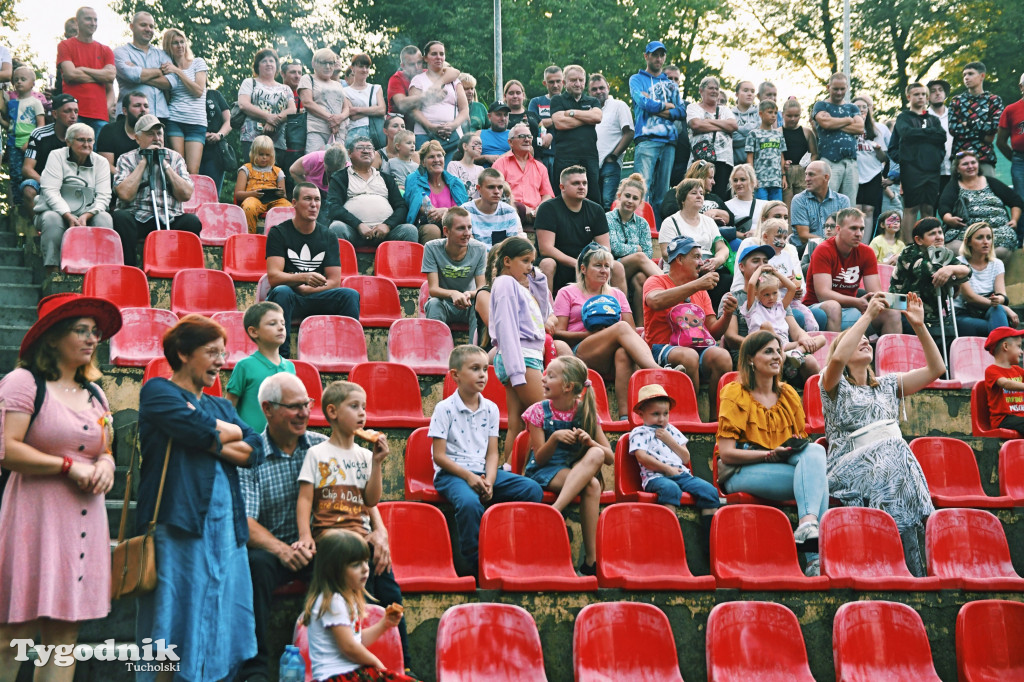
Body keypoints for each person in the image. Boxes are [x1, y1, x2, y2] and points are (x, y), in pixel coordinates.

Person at [236, 373, 401, 682]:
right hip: (278, 547)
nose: (303, 413)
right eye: (293, 406)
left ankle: (385, 661)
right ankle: (256, 668)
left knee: (368, 560)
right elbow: (244, 520)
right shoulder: (252, 454)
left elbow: (364, 496)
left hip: (321, 544)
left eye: (306, 405)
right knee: (254, 566)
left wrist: (380, 531)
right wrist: (284, 549)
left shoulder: (319, 444)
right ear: (267, 409)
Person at [136, 314, 265, 681]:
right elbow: (195, 427)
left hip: (226, 530)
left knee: (222, 617)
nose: (220, 361)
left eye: (222, 353)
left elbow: (254, 448)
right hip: (178, 521)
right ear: (182, 353)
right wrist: (218, 433)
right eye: (211, 352)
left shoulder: (220, 405)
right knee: (171, 618)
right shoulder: (157, 391)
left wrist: (208, 434)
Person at [0, 293, 121, 680]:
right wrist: (67, 466)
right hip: (35, 518)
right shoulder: (23, 382)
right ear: (51, 338)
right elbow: (6, 448)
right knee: (12, 633)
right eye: (81, 330)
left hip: (83, 525)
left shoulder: (95, 392)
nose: (92, 339)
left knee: (64, 636)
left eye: (95, 332)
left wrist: (106, 464)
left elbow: (107, 448)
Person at [295, 379, 413, 672]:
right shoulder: (318, 454)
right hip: (331, 540)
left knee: (390, 591)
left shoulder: (364, 455)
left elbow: (371, 500)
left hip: (361, 539)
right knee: (359, 587)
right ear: (332, 412)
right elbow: (305, 500)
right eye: (354, 406)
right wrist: (305, 536)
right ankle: (354, 660)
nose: (362, 414)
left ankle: (404, 665)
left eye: (364, 407)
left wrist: (377, 464)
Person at [821, 292, 942, 576]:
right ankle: (908, 541)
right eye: (856, 338)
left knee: (897, 449)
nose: (864, 339)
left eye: (867, 338)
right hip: (845, 469)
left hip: (889, 469)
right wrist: (867, 317)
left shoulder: (887, 385)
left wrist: (919, 326)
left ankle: (909, 542)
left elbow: (937, 369)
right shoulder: (831, 383)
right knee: (895, 447)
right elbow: (837, 358)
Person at [717, 331, 830, 575]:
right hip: (741, 470)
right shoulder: (734, 392)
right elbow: (726, 454)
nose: (777, 356)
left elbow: (800, 445)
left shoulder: (788, 394)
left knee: (815, 455)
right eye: (768, 351)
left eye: (778, 350)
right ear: (750, 359)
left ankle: (809, 528)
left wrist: (783, 453)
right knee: (816, 479)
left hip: (781, 466)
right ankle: (816, 559)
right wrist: (768, 454)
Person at [431, 344, 544, 572]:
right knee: (470, 503)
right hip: (452, 474)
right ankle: (475, 563)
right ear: (456, 375)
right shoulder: (444, 409)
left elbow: (493, 453)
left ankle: (508, 545)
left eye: (485, 368)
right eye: (475, 369)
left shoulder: (491, 408)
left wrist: (489, 481)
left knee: (532, 490)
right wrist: (470, 478)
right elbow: (439, 456)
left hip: (483, 471)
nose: (483, 374)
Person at [523, 355, 613, 575]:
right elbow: (540, 459)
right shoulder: (538, 411)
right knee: (590, 484)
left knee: (595, 457)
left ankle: (588, 557)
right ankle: (590, 560)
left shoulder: (585, 411)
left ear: (567, 387)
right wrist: (554, 439)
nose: (543, 379)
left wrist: (589, 441)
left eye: (550, 376)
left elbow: (609, 457)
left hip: (574, 470)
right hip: (544, 471)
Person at [553, 243, 658, 418]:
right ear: (583, 269)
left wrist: (610, 334)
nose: (604, 271)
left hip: (610, 356)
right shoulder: (567, 292)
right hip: (582, 351)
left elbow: (631, 331)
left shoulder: (617, 294)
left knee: (624, 353)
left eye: (607, 266)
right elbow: (557, 333)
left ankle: (626, 417)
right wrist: (591, 335)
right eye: (598, 265)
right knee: (621, 328)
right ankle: (658, 371)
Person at [299, 531, 413, 682]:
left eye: (366, 561)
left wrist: (384, 625)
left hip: (351, 673)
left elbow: (355, 641)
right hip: (338, 677)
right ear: (334, 571)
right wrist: (376, 664)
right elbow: (349, 647)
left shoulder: (345, 599)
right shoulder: (333, 601)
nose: (366, 568)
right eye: (356, 565)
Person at [268, 183, 360, 357]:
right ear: (294, 203)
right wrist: (302, 278)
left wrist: (306, 289)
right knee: (281, 292)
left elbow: (334, 281)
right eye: (307, 199)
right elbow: (273, 277)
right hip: (290, 299)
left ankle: (347, 355)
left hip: (316, 296)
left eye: (317, 199)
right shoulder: (279, 233)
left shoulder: (328, 236)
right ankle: (281, 357)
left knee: (350, 295)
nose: (313, 204)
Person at [643, 236, 737, 396]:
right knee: (689, 356)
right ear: (679, 259)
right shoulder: (656, 281)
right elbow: (655, 301)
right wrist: (697, 285)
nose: (702, 262)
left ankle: (716, 418)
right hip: (660, 348)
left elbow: (713, 331)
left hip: (698, 347)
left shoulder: (701, 290)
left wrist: (727, 314)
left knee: (722, 356)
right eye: (696, 257)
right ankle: (689, 415)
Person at [630, 384, 720, 544]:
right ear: (641, 414)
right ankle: (669, 542)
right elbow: (642, 457)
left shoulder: (672, 431)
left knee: (710, 492)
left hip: (681, 474)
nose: (661, 419)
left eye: (665, 414)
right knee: (671, 490)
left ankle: (710, 544)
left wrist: (669, 440)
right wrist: (667, 469)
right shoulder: (639, 433)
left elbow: (685, 458)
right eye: (655, 414)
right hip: (655, 477)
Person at [111, 114, 201, 267]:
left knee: (192, 222)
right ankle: (131, 268)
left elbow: (186, 194)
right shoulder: (126, 159)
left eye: (159, 133)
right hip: (138, 216)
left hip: (169, 216)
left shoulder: (175, 158)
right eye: (150, 134)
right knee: (120, 217)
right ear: (138, 138)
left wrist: (165, 165)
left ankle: (184, 270)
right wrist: (144, 162)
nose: (156, 138)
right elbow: (124, 195)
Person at [803, 207, 900, 333]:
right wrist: (856, 302)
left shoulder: (867, 252)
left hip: (850, 309)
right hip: (818, 310)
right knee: (833, 306)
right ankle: (836, 352)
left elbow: (875, 292)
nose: (859, 233)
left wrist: (899, 302)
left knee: (892, 313)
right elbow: (823, 295)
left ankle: (885, 352)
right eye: (853, 228)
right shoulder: (823, 250)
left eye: (862, 229)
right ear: (838, 229)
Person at [35, 122, 112, 274]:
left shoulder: (101, 162)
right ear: (68, 141)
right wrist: (67, 215)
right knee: (51, 219)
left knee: (105, 218)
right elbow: (50, 191)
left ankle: (101, 270)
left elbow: (104, 196)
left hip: (87, 213)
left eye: (90, 140)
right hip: (56, 212)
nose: (86, 144)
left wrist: (86, 215)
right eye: (81, 140)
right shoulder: (56, 156)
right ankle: (53, 271)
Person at [535, 165, 625, 295]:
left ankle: (620, 312)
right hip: (558, 264)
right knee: (547, 264)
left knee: (617, 267)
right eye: (576, 183)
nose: (582, 187)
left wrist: (592, 264)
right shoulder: (547, 208)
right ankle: (546, 313)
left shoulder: (596, 210)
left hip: (586, 262)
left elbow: (605, 248)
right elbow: (546, 249)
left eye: (584, 183)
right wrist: (577, 263)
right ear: (562, 187)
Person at [327, 135, 418, 245]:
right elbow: (334, 207)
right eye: (360, 148)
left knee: (409, 230)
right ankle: (338, 263)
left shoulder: (386, 178)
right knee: (336, 227)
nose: (366, 151)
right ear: (349, 153)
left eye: (370, 148)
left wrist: (387, 225)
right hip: (353, 231)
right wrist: (358, 225)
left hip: (386, 233)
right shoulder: (340, 177)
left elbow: (401, 207)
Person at [741, 260, 821, 383]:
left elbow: (792, 287)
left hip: (785, 345)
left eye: (774, 293)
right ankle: (787, 360)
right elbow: (752, 284)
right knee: (766, 325)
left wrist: (775, 272)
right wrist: (760, 269)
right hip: (764, 345)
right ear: (757, 294)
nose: (771, 297)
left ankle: (795, 354)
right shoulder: (753, 308)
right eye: (766, 295)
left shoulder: (779, 306)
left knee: (820, 339)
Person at [889, 217, 972, 333]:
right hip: (904, 312)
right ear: (918, 240)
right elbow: (928, 271)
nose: (939, 237)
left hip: (933, 317)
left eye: (940, 232)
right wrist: (951, 273)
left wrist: (951, 269)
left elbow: (967, 271)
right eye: (932, 234)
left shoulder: (943, 254)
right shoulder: (908, 254)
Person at [658, 178, 733, 306]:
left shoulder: (709, 222)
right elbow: (666, 254)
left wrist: (717, 261)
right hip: (682, 273)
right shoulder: (670, 222)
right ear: (682, 199)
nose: (699, 196)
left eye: (701, 193)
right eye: (694, 193)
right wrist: (694, 264)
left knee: (728, 281)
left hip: (708, 269)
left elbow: (722, 248)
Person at [888, 83, 947, 243]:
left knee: (928, 207)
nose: (920, 97)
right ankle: (908, 246)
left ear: (926, 97)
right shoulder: (903, 117)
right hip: (912, 170)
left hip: (932, 170)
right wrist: (928, 134)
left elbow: (942, 137)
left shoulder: (933, 119)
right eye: (916, 94)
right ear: (909, 97)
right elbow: (906, 133)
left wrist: (922, 136)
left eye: (923, 94)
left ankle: (930, 243)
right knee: (911, 207)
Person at [629, 41, 682, 213]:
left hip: (669, 142)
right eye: (654, 55)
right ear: (646, 56)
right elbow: (643, 103)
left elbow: (682, 111)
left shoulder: (671, 84)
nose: (658, 59)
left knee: (663, 194)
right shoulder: (636, 79)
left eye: (661, 55)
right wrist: (668, 106)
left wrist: (656, 105)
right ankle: (641, 230)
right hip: (646, 140)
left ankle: (660, 234)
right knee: (641, 189)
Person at [225, 301, 294, 431]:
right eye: (272, 323)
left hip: (280, 443)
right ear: (254, 332)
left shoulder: (290, 367)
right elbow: (229, 406)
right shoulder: (244, 366)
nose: (280, 327)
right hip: (250, 442)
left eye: (283, 323)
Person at [938, 151, 1022, 256]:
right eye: (965, 164)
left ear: (978, 165)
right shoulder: (954, 185)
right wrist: (949, 219)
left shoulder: (991, 182)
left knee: (1000, 252)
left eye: (973, 162)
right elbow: (944, 206)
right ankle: (970, 270)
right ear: (957, 169)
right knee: (955, 248)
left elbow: (1015, 201)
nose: (970, 166)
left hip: (998, 231)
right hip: (966, 231)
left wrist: (1014, 220)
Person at [606, 173, 662, 317]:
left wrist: (637, 251)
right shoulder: (608, 218)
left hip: (632, 268)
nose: (630, 200)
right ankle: (669, 285)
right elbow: (614, 248)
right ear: (619, 196)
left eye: (635, 198)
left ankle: (640, 327)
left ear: (640, 202)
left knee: (640, 279)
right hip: (612, 266)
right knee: (639, 256)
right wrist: (636, 249)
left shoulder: (642, 223)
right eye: (627, 196)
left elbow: (649, 253)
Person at [422, 208, 486, 326]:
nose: (467, 233)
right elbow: (433, 289)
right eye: (461, 228)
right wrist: (453, 293)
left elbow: (481, 288)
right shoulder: (432, 248)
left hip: (468, 303)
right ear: (446, 231)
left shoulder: (480, 249)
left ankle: (475, 345)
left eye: (469, 227)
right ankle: (435, 344)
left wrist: (468, 294)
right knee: (433, 304)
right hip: (444, 303)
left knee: (480, 302)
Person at [549, 65, 602, 205]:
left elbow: (597, 117)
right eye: (573, 80)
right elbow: (560, 123)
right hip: (565, 157)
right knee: (563, 198)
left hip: (589, 157)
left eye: (581, 80)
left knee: (593, 199)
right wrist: (587, 118)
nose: (578, 84)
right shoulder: (557, 100)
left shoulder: (592, 101)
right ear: (564, 83)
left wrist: (572, 113)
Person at [56, 7, 114, 133]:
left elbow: (110, 76)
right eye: (88, 19)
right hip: (73, 114)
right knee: (74, 151)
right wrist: (100, 76)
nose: (93, 23)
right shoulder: (65, 45)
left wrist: (81, 69)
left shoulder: (105, 50)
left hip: (100, 114)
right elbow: (70, 74)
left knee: (99, 152)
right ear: (77, 22)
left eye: (95, 20)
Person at [407, 41, 469, 161]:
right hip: (425, 135)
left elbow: (465, 109)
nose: (439, 57)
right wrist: (430, 126)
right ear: (425, 58)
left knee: (451, 173)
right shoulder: (418, 80)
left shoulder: (454, 81)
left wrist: (453, 125)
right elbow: (413, 109)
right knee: (428, 173)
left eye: (442, 54)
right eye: (434, 54)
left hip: (453, 136)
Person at [159, 28, 207, 174]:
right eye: (175, 43)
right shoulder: (167, 68)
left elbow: (198, 91)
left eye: (182, 42)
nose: (180, 46)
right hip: (175, 119)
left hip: (196, 121)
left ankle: (192, 197)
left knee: (193, 170)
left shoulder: (198, 63)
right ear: (168, 46)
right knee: (178, 166)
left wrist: (178, 71)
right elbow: (167, 96)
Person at [21, 94, 78, 217]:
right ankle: (39, 230)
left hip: (70, 183)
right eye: (67, 111)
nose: (73, 116)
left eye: (76, 111)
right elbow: (27, 169)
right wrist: (49, 184)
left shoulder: (81, 136)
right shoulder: (40, 134)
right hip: (42, 181)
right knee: (29, 189)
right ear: (55, 114)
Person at [956, 221, 1018, 333]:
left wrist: (1000, 299)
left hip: (987, 311)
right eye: (980, 238)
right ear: (968, 242)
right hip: (963, 313)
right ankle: (1004, 343)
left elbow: (1002, 295)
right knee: (998, 328)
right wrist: (1004, 307)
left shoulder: (997, 263)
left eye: (989, 237)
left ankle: (1002, 342)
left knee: (997, 314)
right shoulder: (959, 263)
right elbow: (970, 298)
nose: (986, 242)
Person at [404, 139, 471, 243]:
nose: (436, 160)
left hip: (453, 224)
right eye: (431, 157)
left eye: (439, 156)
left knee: (466, 234)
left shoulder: (455, 182)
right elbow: (419, 204)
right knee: (433, 230)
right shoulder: (414, 179)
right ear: (423, 162)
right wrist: (439, 213)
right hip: (424, 224)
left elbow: (462, 209)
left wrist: (446, 212)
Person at [237, 48, 296, 161]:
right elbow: (243, 104)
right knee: (253, 173)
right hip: (252, 138)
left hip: (278, 139)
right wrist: (267, 117)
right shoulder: (249, 82)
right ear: (257, 66)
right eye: (264, 61)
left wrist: (274, 122)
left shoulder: (285, 88)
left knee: (275, 175)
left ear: (276, 65)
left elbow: (292, 110)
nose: (268, 64)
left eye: (271, 61)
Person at [812, 73, 864, 201]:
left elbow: (860, 128)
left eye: (842, 89)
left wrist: (833, 124)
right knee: (827, 201)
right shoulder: (821, 105)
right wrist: (847, 119)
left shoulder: (852, 107)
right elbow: (825, 122)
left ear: (847, 87)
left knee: (849, 204)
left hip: (851, 162)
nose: (839, 92)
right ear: (828, 87)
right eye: (835, 89)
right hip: (830, 161)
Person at [113, 12, 173, 121]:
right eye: (143, 25)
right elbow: (131, 75)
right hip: (128, 117)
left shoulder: (162, 54)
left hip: (159, 116)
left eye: (151, 26)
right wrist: (161, 71)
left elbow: (171, 82)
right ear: (132, 27)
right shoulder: (120, 52)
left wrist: (139, 72)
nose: (148, 29)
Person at [587, 72, 634, 210]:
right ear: (589, 92)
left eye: (601, 88)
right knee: (594, 204)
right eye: (594, 89)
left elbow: (629, 132)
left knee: (608, 203)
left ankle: (609, 232)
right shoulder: (588, 111)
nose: (598, 92)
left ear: (608, 87)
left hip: (610, 164)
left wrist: (613, 156)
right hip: (591, 164)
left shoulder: (618, 105)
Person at [492, 122, 554, 225]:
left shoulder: (540, 167)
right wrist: (523, 208)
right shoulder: (500, 164)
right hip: (510, 211)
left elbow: (547, 195)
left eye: (529, 136)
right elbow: (497, 192)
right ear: (510, 142)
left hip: (537, 214)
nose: (527, 139)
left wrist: (539, 208)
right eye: (522, 136)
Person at [949, 61, 1003, 177]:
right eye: (964, 75)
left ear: (982, 76)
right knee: (959, 194)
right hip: (960, 158)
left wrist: (967, 123)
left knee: (988, 193)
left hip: (984, 156)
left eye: (970, 74)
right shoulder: (956, 101)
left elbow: (994, 126)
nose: (966, 78)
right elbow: (953, 129)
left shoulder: (993, 100)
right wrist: (982, 134)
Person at [2, 66, 45, 214]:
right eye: (16, 80)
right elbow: (10, 125)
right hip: (13, 142)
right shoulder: (12, 103)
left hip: (28, 142)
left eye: (23, 79)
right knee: (14, 173)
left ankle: (30, 203)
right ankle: (17, 204)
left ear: (32, 83)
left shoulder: (35, 102)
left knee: (26, 171)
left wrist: (31, 142)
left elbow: (41, 125)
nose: (19, 82)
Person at [686, 77, 737, 199]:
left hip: (723, 160)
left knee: (720, 196)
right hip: (701, 158)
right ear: (701, 91)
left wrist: (708, 122)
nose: (714, 91)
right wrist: (722, 125)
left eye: (717, 88)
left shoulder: (725, 110)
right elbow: (696, 125)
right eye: (710, 88)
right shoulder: (693, 108)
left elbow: (733, 126)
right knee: (698, 192)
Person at [234, 135, 291, 233]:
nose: (264, 158)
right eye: (261, 154)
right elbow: (238, 194)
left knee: (289, 208)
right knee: (249, 207)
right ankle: (249, 237)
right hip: (253, 198)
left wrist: (281, 194)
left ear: (272, 155)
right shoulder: (245, 169)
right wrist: (253, 194)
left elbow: (284, 195)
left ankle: (282, 238)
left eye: (267, 155)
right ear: (253, 153)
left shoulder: (278, 171)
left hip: (274, 201)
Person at [790, 160, 851, 251]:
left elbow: (845, 232)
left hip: (834, 249)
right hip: (806, 250)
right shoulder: (799, 200)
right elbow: (803, 236)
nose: (806, 179)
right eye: (806, 174)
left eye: (811, 174)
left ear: (826, 177)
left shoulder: (842, 200)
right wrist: (829, 245)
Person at [659, 159, 734, 227]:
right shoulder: (676, 192)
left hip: (717, 234)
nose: (713, 182)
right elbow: (667, 212)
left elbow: (731, 220)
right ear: (700, 177)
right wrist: (704, 217)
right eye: (710, 178)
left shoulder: (714, 197)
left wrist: (716, 212)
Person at [301, 48, 350, 152]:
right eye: (324, 63)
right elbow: (307, 103)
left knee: (338, 165)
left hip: (338, 132)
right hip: (316, 130)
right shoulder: (308, 78)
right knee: (315, 163)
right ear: (314, 64)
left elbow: (346, 107)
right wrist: (331, 119)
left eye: (331, 63)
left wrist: (339, 118)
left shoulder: (338, 84)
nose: (328, 67)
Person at [851, 94, 889, 226]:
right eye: (857, 107)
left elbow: (884, 158)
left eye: (864, 107)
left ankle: (865, 244)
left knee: (869, 209)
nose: (861, 110)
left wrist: (878, 149)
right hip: (854, 173)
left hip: (872, 175)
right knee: (855, 210)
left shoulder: (876, 130)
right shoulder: (847, 129)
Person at [459, 168, 522, 247]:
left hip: (501, 258)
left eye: (500, 187)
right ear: (479, 188)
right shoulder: (465, 211)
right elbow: (467, 247)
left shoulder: (509, 211)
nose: (496, 191)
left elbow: (511, 246)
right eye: (491, 187)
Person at [96, 90, 147, 178]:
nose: (143, 110)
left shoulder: (155, 132)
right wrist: (129, 179)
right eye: (137, 106)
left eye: (146, 106)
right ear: (125, 111)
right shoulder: (109, 130)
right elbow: (106, 164)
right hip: (119, 180)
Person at [983, 327, 1024, 435]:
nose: (1022, 351)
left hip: (1020, 418)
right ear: (1005, 346)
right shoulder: (991, 371)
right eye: (1019, 346)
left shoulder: (1018, 370)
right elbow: (1005, 383)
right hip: (1003, 419)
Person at [745, 100, 787, 202]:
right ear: (761, 114)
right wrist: (752, 177)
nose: (773, 115)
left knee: (776, 208)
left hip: (776, 181)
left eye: (775, 113)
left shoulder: (779, 135)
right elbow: (750, 157)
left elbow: (781, 156)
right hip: (760, 181)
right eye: (770, 112)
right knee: (761, 209)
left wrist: (783, 176)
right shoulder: (753, 134)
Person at [528, 65, 563, 181]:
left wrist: (550, 130)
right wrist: (560, 119)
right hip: (542, 155)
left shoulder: (568, 102)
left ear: (563, 81)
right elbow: (534, 123)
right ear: (545, 83)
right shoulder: (536, 101)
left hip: (564, 154)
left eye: (558, 81)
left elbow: (572, 125)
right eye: (551, 82)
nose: (555, 85)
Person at [781, 98, 817, 208]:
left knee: (802, 205)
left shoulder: (807, 133)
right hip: (786, 172)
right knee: (787, 206)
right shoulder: (778, 132)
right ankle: (787, 226)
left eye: (796, 116)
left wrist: (809, 166)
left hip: (802, 171)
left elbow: (814, 153)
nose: (793, 119)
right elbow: (777, 153)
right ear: (783, 114)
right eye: (789, 116)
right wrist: (783, 164)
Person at [198, 88, 232, 194]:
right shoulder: (184, 94)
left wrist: (219, 135)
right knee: (195, 193)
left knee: (213, 194)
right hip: (192, 145)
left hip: (214, 150)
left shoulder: (215, 94)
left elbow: (229, 121)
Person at [344, 54, 385, 142]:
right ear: (353, 68)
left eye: (367, 67)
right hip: (355, 132)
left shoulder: (376, 88)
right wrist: (374, 109)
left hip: (375, 131)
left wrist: (358, 110)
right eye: (361, 66)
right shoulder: (345, 91)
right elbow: (352, 115)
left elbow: (382, 110)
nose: (364, 70)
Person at [996, 73, 1024, 201]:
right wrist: (1015, 159)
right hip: (1020, 160)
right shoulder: (1010, 110)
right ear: (1021, 87)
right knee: (1021, 199)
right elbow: (1000, 142)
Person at [725, 164, 769, 244]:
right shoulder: (726, 206)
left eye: (742, 179)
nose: (738, 183)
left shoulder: (765, 205)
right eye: (735, 180)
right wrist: (743, 235)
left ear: (752, 182)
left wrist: (757, 233)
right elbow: (723, 230)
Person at [504, 79, 544, 160]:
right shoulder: (503, 118)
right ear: (505, 96)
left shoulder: (533, 115)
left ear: (523, 95)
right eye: (511, 93)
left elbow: (543, 132)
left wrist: (548, 136)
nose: (515, 96)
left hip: (537, 159)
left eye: (518, 93)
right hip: (512, 159)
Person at [731, 81, 760, 168]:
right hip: (735, 165)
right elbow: (731, 139)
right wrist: (752, 135)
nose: (750, 94)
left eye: (752, 91)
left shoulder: (760, 113)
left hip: (757, 164)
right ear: (737, 94)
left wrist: (737, 129)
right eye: (746, 90)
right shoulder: (729, 114)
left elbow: (760, 136)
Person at [446, 132, 483, 198]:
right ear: (465, 146)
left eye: (481, 145)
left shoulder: (481, 169)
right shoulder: (454, 165)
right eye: (476, 144)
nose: (480, 147)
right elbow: (454, 189)